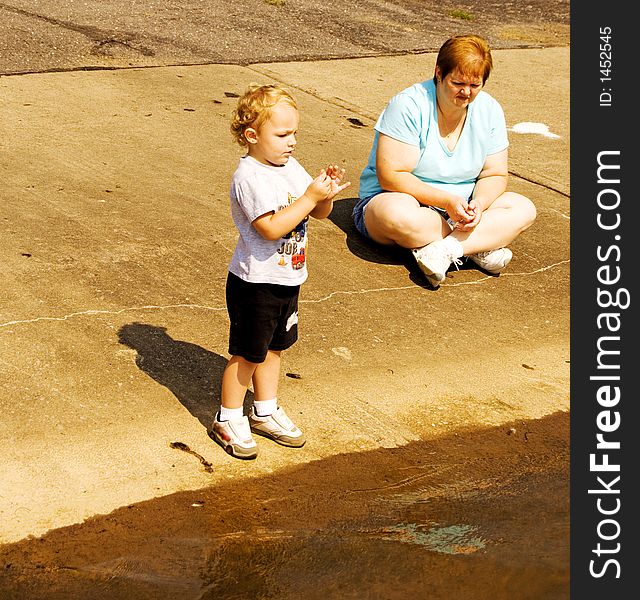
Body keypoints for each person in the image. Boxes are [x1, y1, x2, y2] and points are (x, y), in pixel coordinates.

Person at [210, 84, 350, 459]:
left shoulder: (290, 167)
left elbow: (317, 214)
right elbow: (270, 228)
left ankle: (265, 409)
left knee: (275, 348)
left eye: (295, 134)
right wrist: (308, 198)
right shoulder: (250, 177)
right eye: (283, 134)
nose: (292, 142)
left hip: (288, 277)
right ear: (252, 136)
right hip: (255, 281)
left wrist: (325, 195)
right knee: (247, 354)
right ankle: (227, 417)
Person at [352, 34, 537, 288]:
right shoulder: (408, 105)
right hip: (402, 198)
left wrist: (480, 205)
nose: (466, 93)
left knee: (523, 208)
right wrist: (447, 202)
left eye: (475, 85)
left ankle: (445, 250)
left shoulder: (490, 109)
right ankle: (477, 244)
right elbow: (392, 175)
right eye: (458, 83)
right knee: (396, 215)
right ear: (438, 73)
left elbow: (494, 174)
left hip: (463, 206)